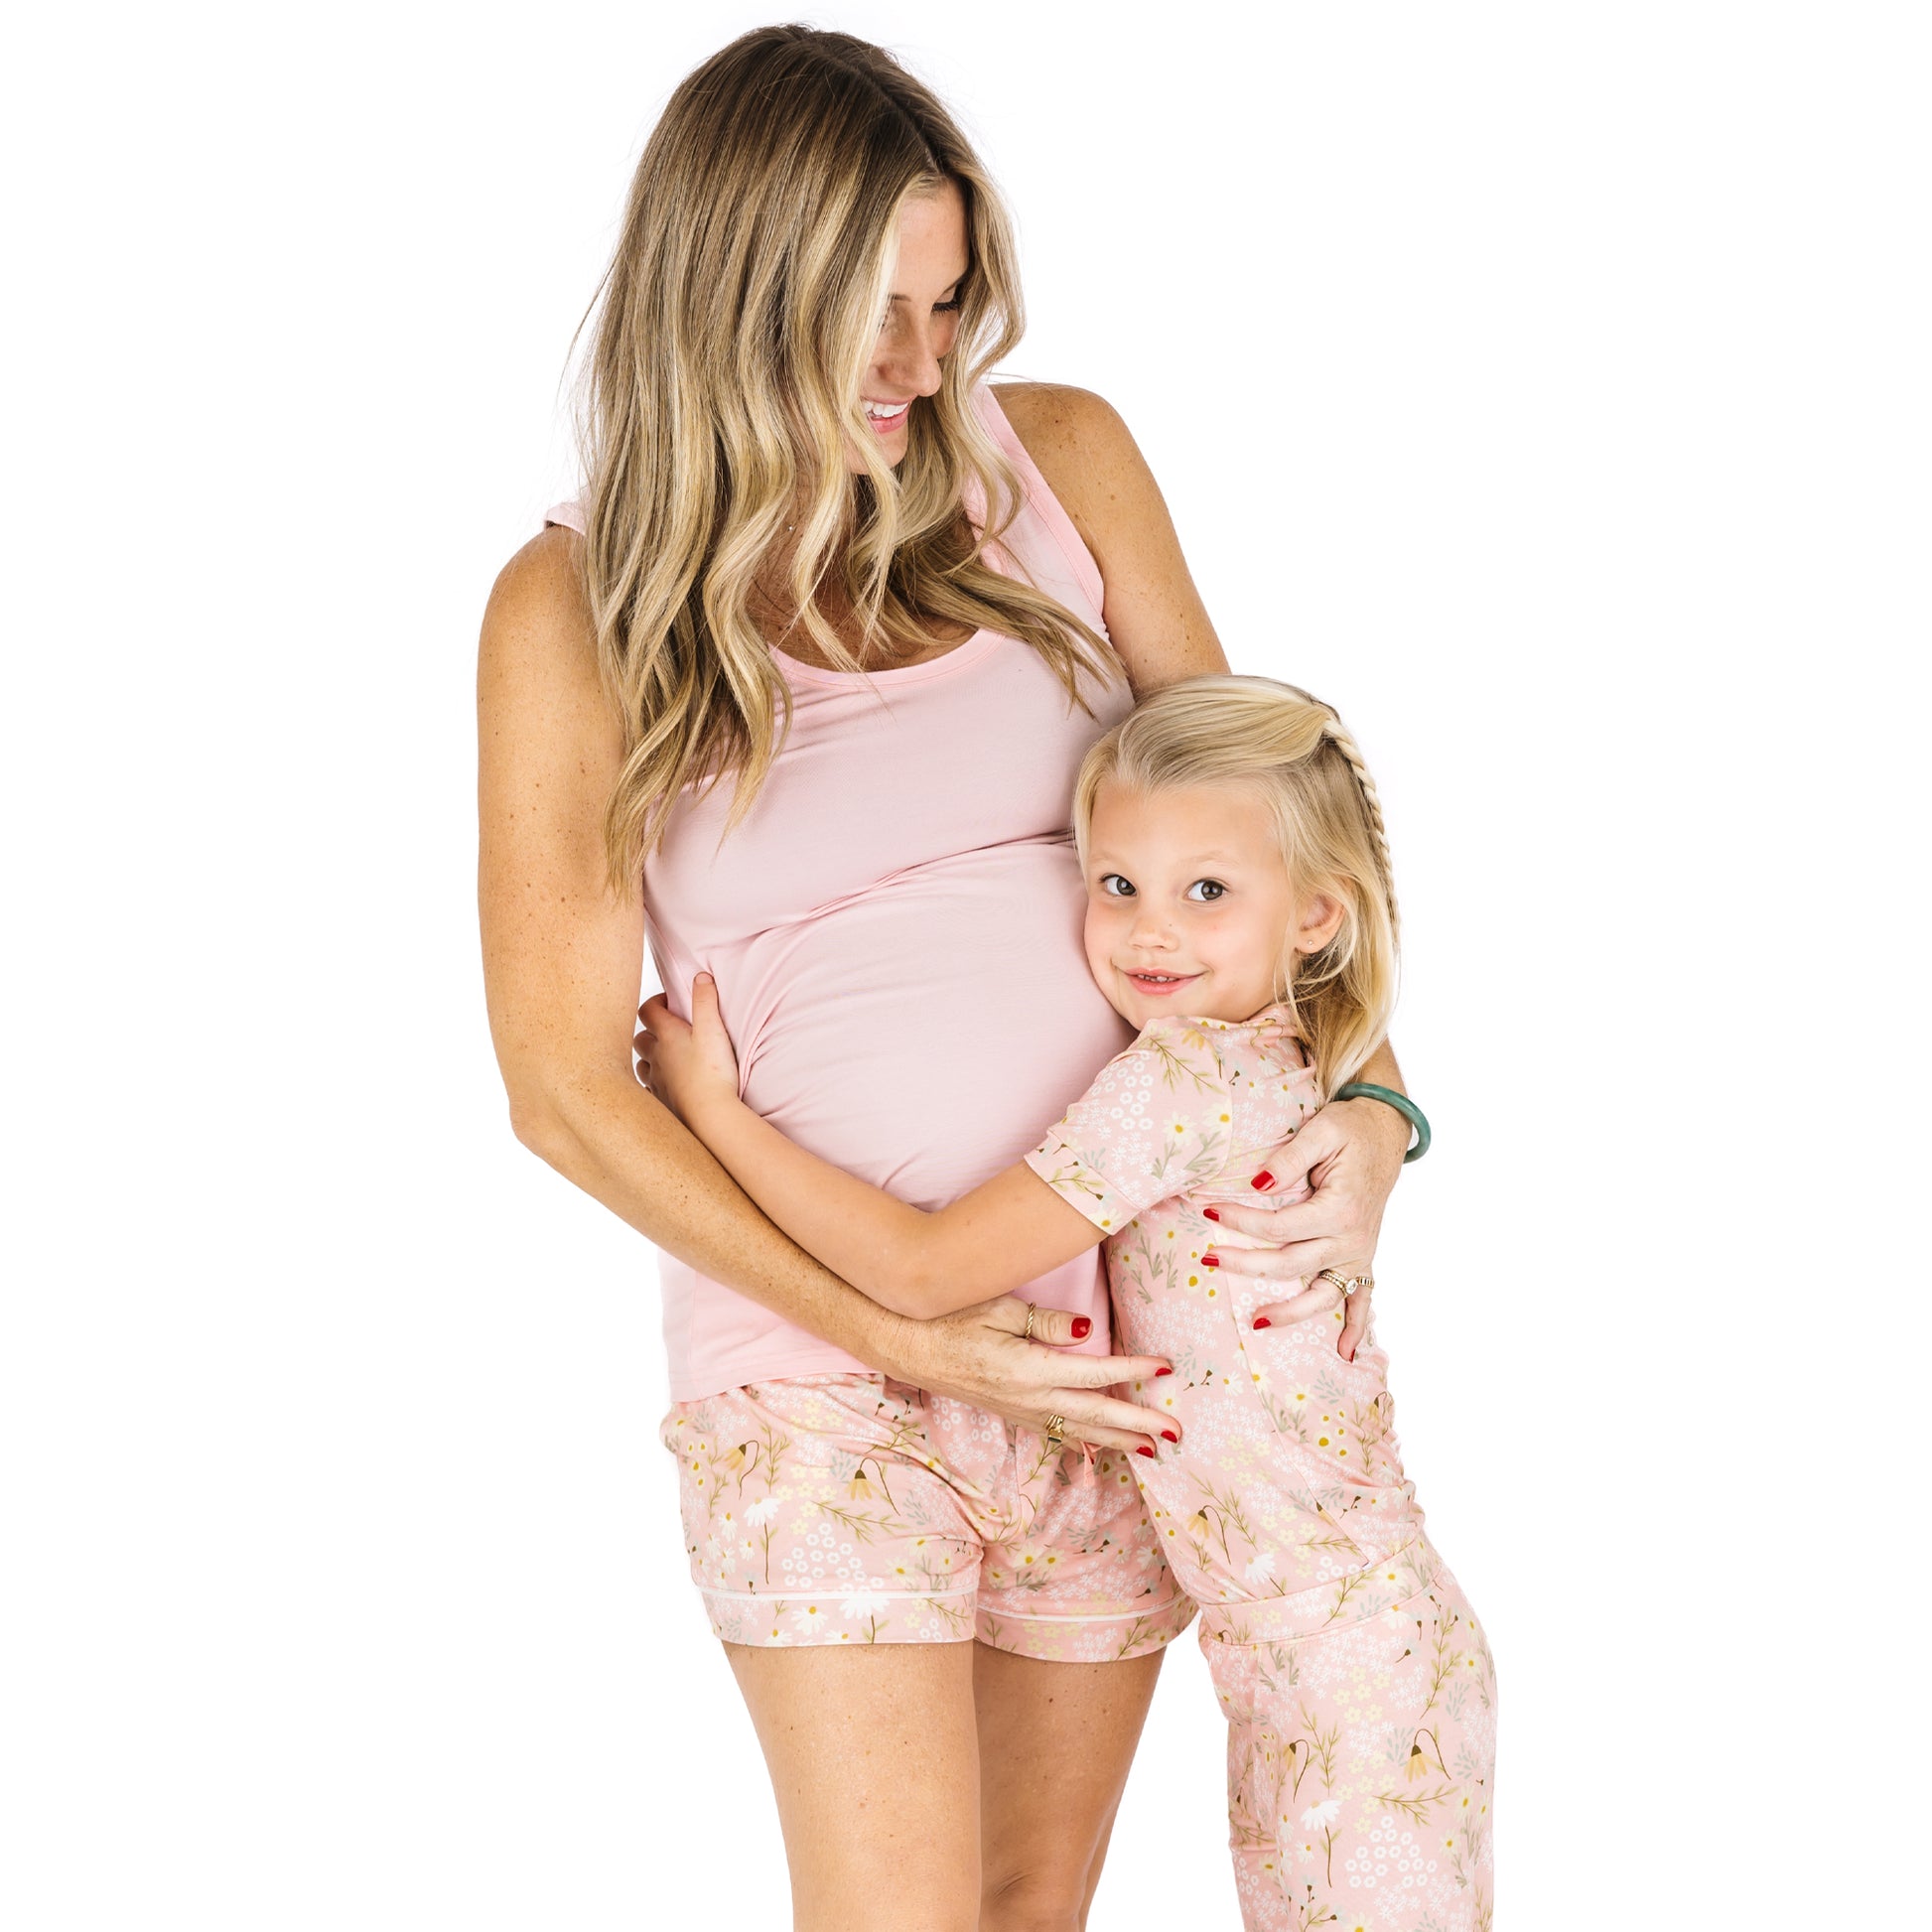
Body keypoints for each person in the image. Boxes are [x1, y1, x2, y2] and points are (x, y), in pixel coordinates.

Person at [478, 26, 1417, 1930]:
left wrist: (1382, 1102)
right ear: (728, 295)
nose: (923, 365)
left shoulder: (1057, 460)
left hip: (1126, 1339)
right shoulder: (573, 612)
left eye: (949, 298)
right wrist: (903, 1332)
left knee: (1020, 1905)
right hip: (815, 1369)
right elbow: (564, 1086)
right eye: (870, 316)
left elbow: (1271, 838)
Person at [641, 675, 1495, 1931]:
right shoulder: (1254, 1055)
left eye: (1207, 890)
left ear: (1318, 916)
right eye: (1114, 883)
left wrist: (714, 1114)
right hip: (1309, 1645)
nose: (1149, 930)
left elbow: (929, 1273)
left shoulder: (1188, 1079)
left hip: (1348, 1660)